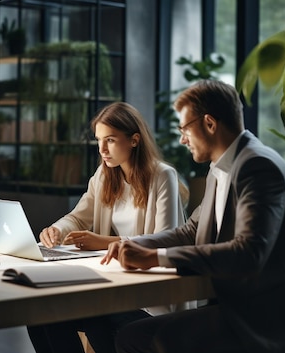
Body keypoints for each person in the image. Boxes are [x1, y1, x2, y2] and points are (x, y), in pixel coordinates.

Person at [102, 79, 285, 353]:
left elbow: (249, 252)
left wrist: (156, 258)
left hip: (269, 315)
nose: (182, 138)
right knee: (130, 335)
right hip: (239, 304)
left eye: (185, 128)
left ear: (209, 123)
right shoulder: (220, 167)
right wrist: (139, 244)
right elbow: (191, 231)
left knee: (151, 339)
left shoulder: (257, 166)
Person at [28, 101, 188, 353]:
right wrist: (57, 229)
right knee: (41, 314)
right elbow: (78, 218)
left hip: (149, 296)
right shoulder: (105, 175)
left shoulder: (162, 176)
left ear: (134, 140)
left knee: (96, 317)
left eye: (110, 140)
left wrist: (103, 242)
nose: (102, 149)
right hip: (114, 283)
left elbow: (164, 239)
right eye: (99, 140)